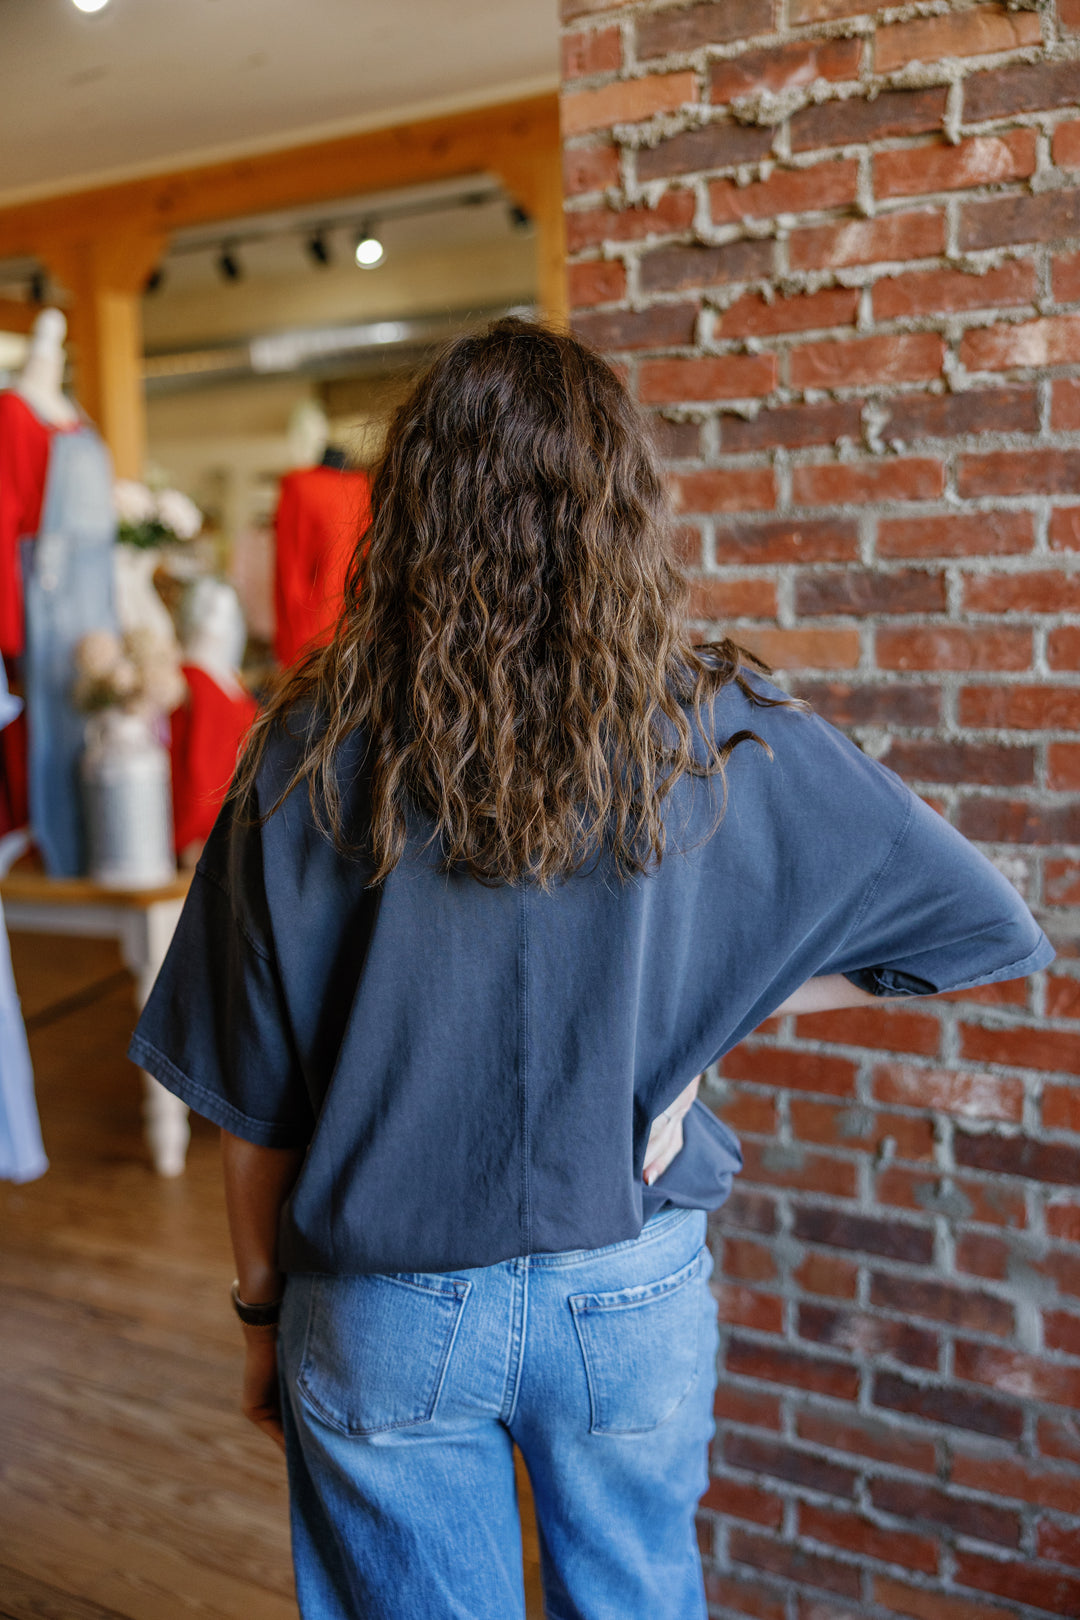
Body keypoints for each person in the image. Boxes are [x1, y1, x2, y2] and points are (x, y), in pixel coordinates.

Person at [130, 318, 1053, 1620]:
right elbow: (977, 926)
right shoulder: (711, 732)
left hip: (385, 1302)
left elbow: (254, 1113)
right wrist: (694, 1020)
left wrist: (259, 1320)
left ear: (411, 513)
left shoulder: (304, 754)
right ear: (623, 510)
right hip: (628, 1284)